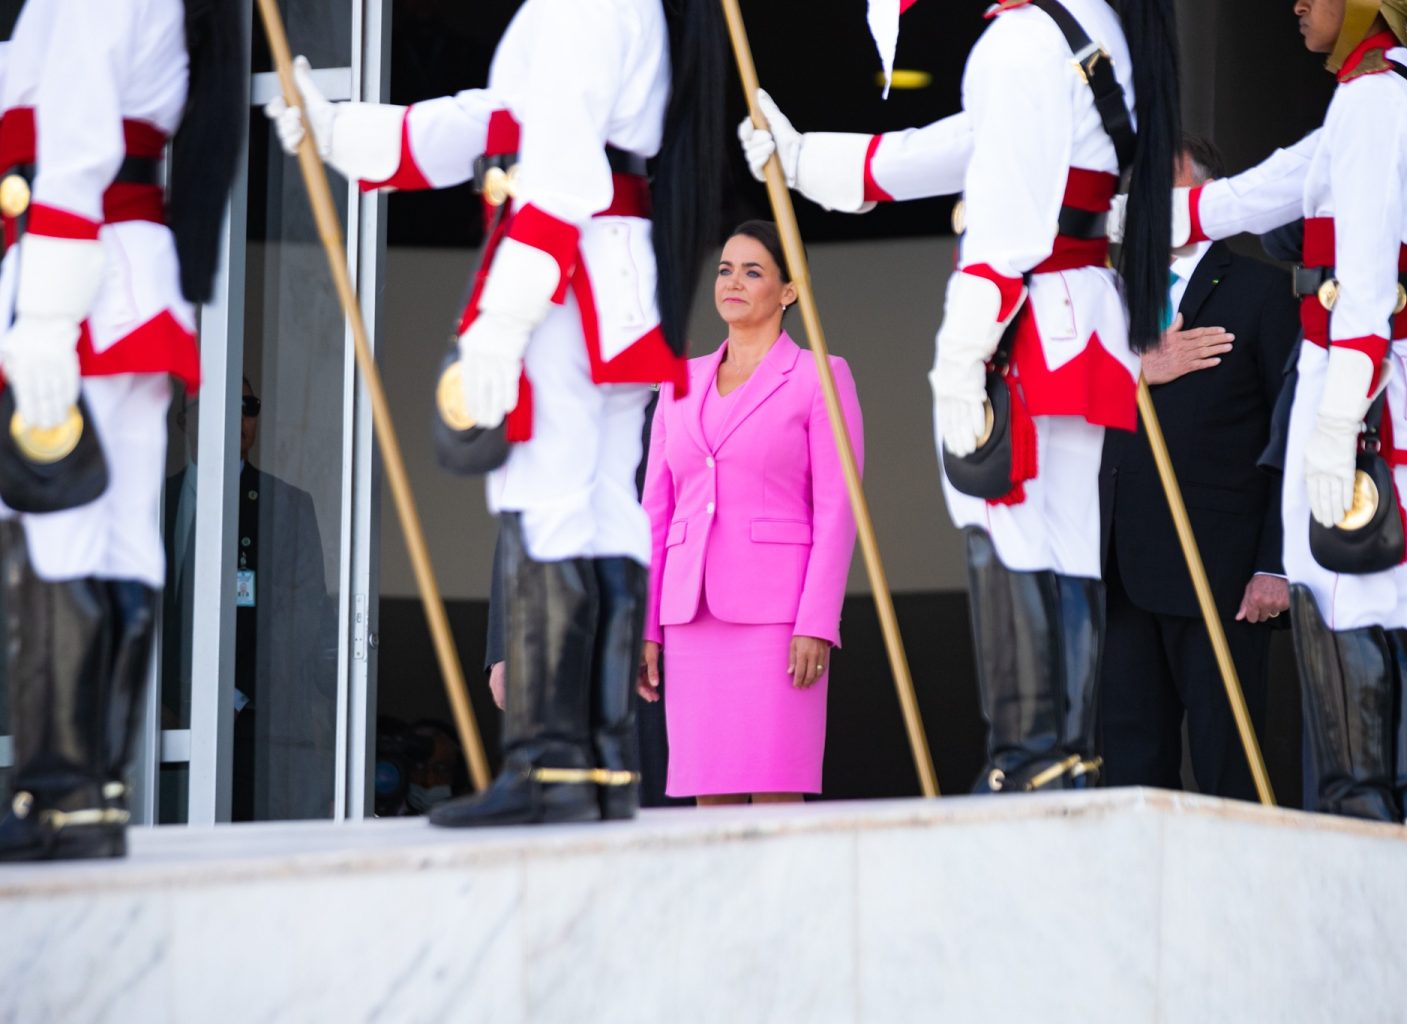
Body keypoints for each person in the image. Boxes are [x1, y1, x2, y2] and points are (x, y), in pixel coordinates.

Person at [266, 0, 726, 825]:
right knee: (599, 513)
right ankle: (597, 765)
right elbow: (489, 120)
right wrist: (341, 132)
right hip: (602, 283)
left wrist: (501, 323)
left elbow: (557, 175)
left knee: (547, 506)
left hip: (561, 285)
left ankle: (549, 765)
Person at [742, 0, 1182, 792]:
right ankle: (1065, 758)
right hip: (1076, 314)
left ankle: (1027, 759)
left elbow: (1004, 228)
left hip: (1020, 320)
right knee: (1065, 542)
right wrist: (804, 159)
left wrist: (960, 358)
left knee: (1006, 527)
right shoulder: (1088, 26)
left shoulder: (1020, 38)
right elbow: (960, 147)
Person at [1170, 0, 1407, 823]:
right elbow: (1256, 194)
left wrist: (1337, 423)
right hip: (1362, 384)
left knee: (1354, 609)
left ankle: (1371, 829)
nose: (1297, 4)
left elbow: (1369, 288)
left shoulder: (1377, 100)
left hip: (1363, 390)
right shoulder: (1372, 94)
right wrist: (1119, 220)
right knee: (1353, 609)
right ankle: (1378, 821)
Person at [0, 0, 244, 861]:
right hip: (116, 273)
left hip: (79, 275)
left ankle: (59, 792)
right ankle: (91, 793)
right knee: (116, 540)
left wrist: (44, 315)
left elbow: (74, 134)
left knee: (63, 534)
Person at [1099, 136, 1297, 800]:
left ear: (1215, 199)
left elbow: (1291, 433)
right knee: (1129, 773)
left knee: (1228, 768)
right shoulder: (1105, 294)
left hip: (1223, 570)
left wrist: (1276, 563)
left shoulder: (1262, 290)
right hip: (1119, 569)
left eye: (1174, 190)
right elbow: (1061, 409)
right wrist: (1137, 371)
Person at [636, 221, 863, 804]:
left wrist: (817, 621)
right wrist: (646, 624)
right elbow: (656, 511)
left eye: (753, 271)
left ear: (788, 290)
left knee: (776, 795)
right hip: (689, 618)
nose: (733, 282)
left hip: (778, 622)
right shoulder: (679, 380)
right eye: (725, 270)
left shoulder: (819, 376)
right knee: (707, 800)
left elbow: (838, 509)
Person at [164, 379, 335, 821]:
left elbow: (301, 614)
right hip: (161, 728)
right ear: (184, 422)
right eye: (219, 404)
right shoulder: (156, 502)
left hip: (255, 730)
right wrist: (157, 699)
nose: (238, 417)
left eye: (248, 405)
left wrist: (233, 695)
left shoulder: (288, 506)